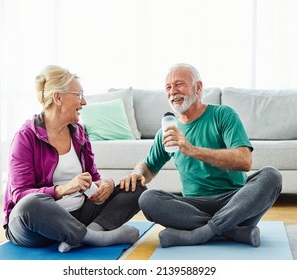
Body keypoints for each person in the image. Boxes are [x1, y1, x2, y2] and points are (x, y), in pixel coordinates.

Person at [120, 63, 282, 248]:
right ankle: (232, 232)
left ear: (198, 88)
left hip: (235, 203)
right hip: (193, 207)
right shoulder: (166, 133)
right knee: (147, 199)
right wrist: (137, 173)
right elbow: (148, 166)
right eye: (168, 87)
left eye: (179, 84)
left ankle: (201, 233)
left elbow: (244, 160)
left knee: (271, 175)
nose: (173, 91)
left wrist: (192, 150)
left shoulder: (223, 115)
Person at [3, 65, 146, 253]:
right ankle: (95, 237)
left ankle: (87, 233)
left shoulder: (78, 133)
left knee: (137, 188)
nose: (84, 101)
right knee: (31, 203)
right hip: (36, 226)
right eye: (79, 94)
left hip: (77, 215)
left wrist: (106, 184)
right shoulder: (25, 137)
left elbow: (93, 177)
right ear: (58, 98)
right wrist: (63, 189)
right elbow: (19, 194)